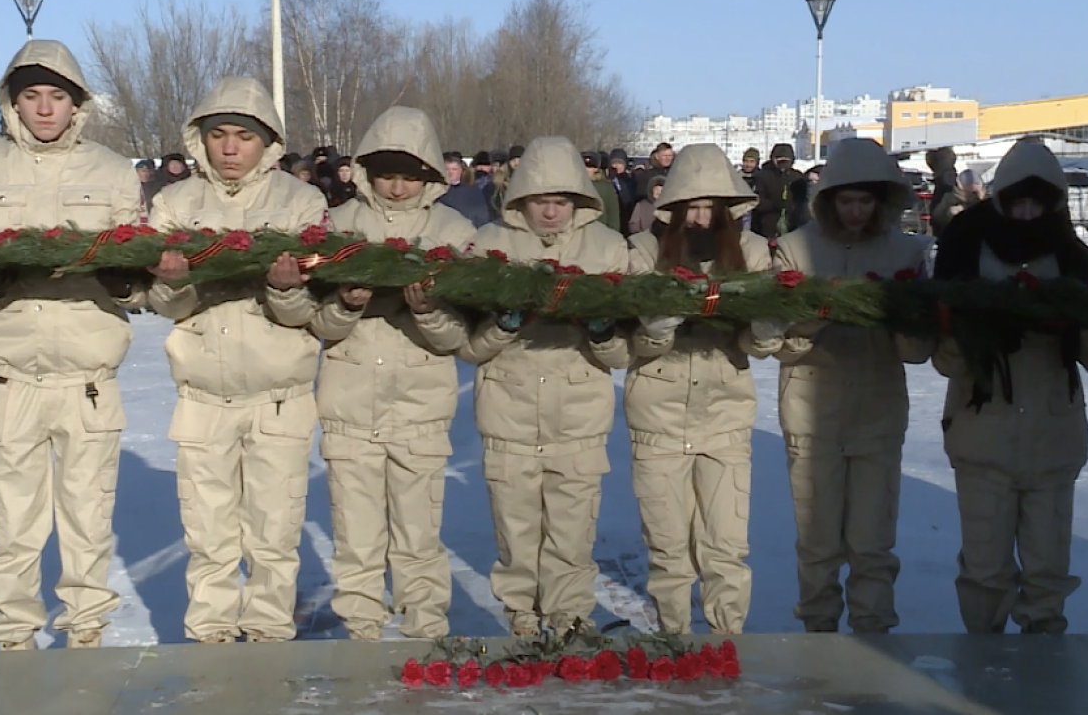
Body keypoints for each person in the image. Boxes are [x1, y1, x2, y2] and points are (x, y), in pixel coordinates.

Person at [0, 40, 145, 651]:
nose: (44, 109)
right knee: (13, 527)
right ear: (13, 102)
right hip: (10, 380)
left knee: (87, 523)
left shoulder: (113, 170)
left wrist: (125, 276)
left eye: (56, 96)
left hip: (86, 382)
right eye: (31, 96)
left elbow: (138, 265)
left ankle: (85, 639)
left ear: (77, 103)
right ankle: (13, 641)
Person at [147, 76, 327, 644]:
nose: (229, 148)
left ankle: (271, 636)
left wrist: (284, 289)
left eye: (243, 137)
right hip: (204, 398)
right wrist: (173, 282)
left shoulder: (301, 203)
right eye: (218, 135)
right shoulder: (176, 204)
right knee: (210, 535)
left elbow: (308, 312)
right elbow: (163, 304)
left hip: (280, 398)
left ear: (266, 141)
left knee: (275, 534)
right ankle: (211, 637)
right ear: (200, 139)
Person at [306, 107, 475, 640]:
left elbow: (459, 340)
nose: (398, 188)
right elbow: (319, 325)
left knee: (418, 537)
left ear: (429, 174)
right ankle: (361, 633)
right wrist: (348, 304)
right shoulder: (338, 227)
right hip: (350, 407)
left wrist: (426, 311)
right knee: (356, 539)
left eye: (409, 175)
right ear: (366, 172)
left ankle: (425, 631)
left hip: (420, 408)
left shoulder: (454, 231)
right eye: (386, 174)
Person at [459, 136, 630, 637]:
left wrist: (601, 330)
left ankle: (570, 618)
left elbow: (624, 354)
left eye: (560, 200)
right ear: (520, 198)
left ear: (579, 198)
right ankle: (522, 620)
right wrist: (503, 326)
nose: (550, 212)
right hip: (508, 413)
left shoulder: (607, 248)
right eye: (540, 200)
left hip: (578, 415)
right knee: (515, 531)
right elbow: (468, 349)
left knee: (572, 533)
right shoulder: (488, 246)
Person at [932, 140, 1088, 634]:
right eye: (1017, 202)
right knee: (985, 571)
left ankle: (1042, 673)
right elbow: (943, 361)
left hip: (1053, 437)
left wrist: (1079, 319)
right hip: (982, 435)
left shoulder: (1076, 264)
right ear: (1001, 199)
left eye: (1038, 203)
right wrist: (973, 329)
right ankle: (983, 670)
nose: (1027, 214)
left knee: (1048, 571)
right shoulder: (967, 256)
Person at [768, 138, 933, 634]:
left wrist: (898, 313)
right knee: (817, 542)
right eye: (847, 201)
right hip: (810, 412)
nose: (856, 211)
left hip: (877, 413)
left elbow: (917, 350)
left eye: (866, 201)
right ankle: (818, 632)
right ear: (829, 200)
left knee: (872, 542)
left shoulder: (906, 251)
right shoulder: (796, 249)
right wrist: (815, 314)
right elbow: (778, 342)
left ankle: (873, 634)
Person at [624, 144, 775, 635]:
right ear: (675, 205)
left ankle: (726, 638)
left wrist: (768, 329)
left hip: (724, 416)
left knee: (726, 545)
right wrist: (657, 326)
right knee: (668, 546)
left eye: (713, 206)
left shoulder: (751, 255)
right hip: (658, 417)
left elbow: (755, 345)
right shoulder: (645, 253)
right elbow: (629, 345)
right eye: (694, 204)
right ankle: (674, 640)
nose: (703, 217)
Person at [751, 143, 803, 240]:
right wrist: (775, 205)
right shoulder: (763, 176)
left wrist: (793, 207)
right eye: (779, 159)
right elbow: (756, 201)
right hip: (767, 228)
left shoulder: (797, 177)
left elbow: (803, 201)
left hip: (792, 226)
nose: (782, 163)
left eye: (786, 160)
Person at [441, 151, 491, 228]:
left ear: (461, 171)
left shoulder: (472, 190)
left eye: (454, 169)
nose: (450, 173)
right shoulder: (437, 190)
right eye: (447, 169)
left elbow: (481, 214)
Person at [931, 169, 984, 237]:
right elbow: (936, 218)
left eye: (975, 190)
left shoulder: (987, 198)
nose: (971, 191)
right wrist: (949, 213)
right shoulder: (949, 198)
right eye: (968, 188)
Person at [584, 151, 621, 232]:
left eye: (590, 167)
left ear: (596, 169)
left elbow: (613, 215)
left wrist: (613, 236)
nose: (586, 170)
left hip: (600, 234)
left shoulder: (606, 188)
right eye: (584, 166)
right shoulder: (573, 186)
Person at [608, 148, 637, 230]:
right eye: (614, 163)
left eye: (620, 163)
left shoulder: (630, 180)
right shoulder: (608, 180)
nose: (616, 166)